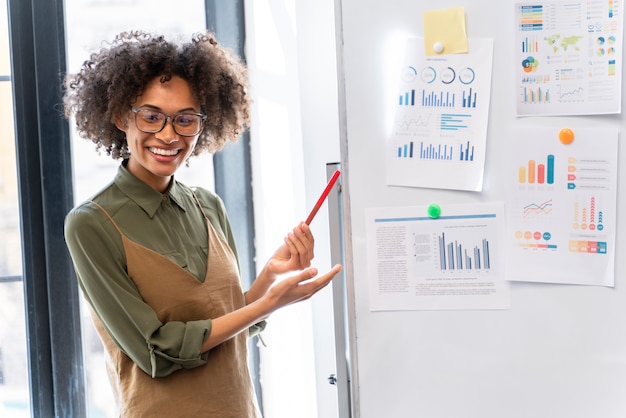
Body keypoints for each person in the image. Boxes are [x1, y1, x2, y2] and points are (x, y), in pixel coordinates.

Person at [63, 30, 342, 418]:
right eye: (151, 116)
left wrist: (268, 282)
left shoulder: (207, 206)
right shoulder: (91, 224)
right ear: (120, 116)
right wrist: (268, 303)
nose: (168, 134)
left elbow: (227, 326)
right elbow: (155, 351)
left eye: (185, 119)